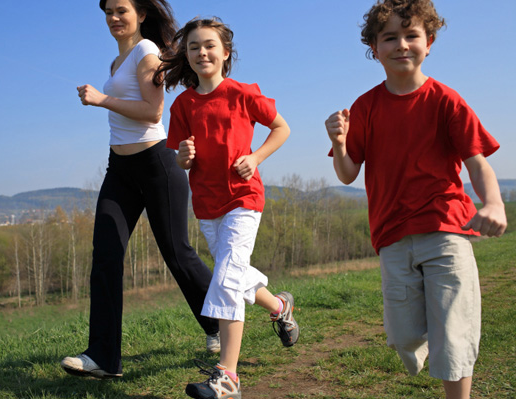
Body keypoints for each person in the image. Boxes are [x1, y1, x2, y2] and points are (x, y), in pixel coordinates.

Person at [324, 1, 507, 398]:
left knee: (453, 332)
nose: (402, 44)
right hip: (391, 236)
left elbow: (477, 163)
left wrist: (492, 203)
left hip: (446, 230)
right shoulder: (366, 107)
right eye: (390, 37)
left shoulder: (445, 100)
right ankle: (425, 343)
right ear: (374, 47)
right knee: (403, 335)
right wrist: (339, 143)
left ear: (430, 42)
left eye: (412, 35)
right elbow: (348, 172)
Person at [60, 0, 220, 379]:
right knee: (106, 254)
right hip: (120, 169)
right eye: (108, 12)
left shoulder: (146, 52)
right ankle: (103, 357)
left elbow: (153, 111)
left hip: (155, 165)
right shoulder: (117, 63)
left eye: (121, 10)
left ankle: (219, 321)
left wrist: (101, 99)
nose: (114, 18)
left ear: (141, 15)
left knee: (178, 254)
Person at [155, 17, 299, 399]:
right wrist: (185, 156)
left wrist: (256, 157)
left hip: (243, 198)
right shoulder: (183, 104)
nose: (202, 52)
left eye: (209, 45)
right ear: (186, 56)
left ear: (225, 52)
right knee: (233, 271)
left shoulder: (243, 93)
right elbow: (183, 159)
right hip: (206, 204)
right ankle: (279, 305)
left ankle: (228, 377)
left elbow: (282, 128)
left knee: (227, 279)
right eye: (193, 47)